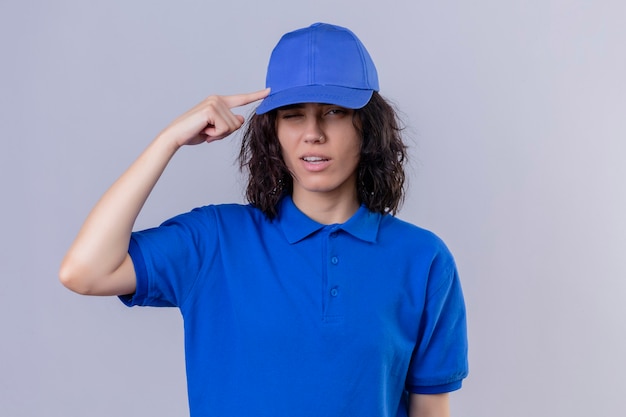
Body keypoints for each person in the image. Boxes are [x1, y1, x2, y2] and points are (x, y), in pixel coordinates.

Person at [60, 22, 468, 417]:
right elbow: (85, 271)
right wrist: (169, 140)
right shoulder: (215, 241)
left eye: (334, 112)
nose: (313, 133)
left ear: (368, 126)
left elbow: (431, 410)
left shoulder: (423, 259)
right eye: (293, 115)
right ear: (272, 131)